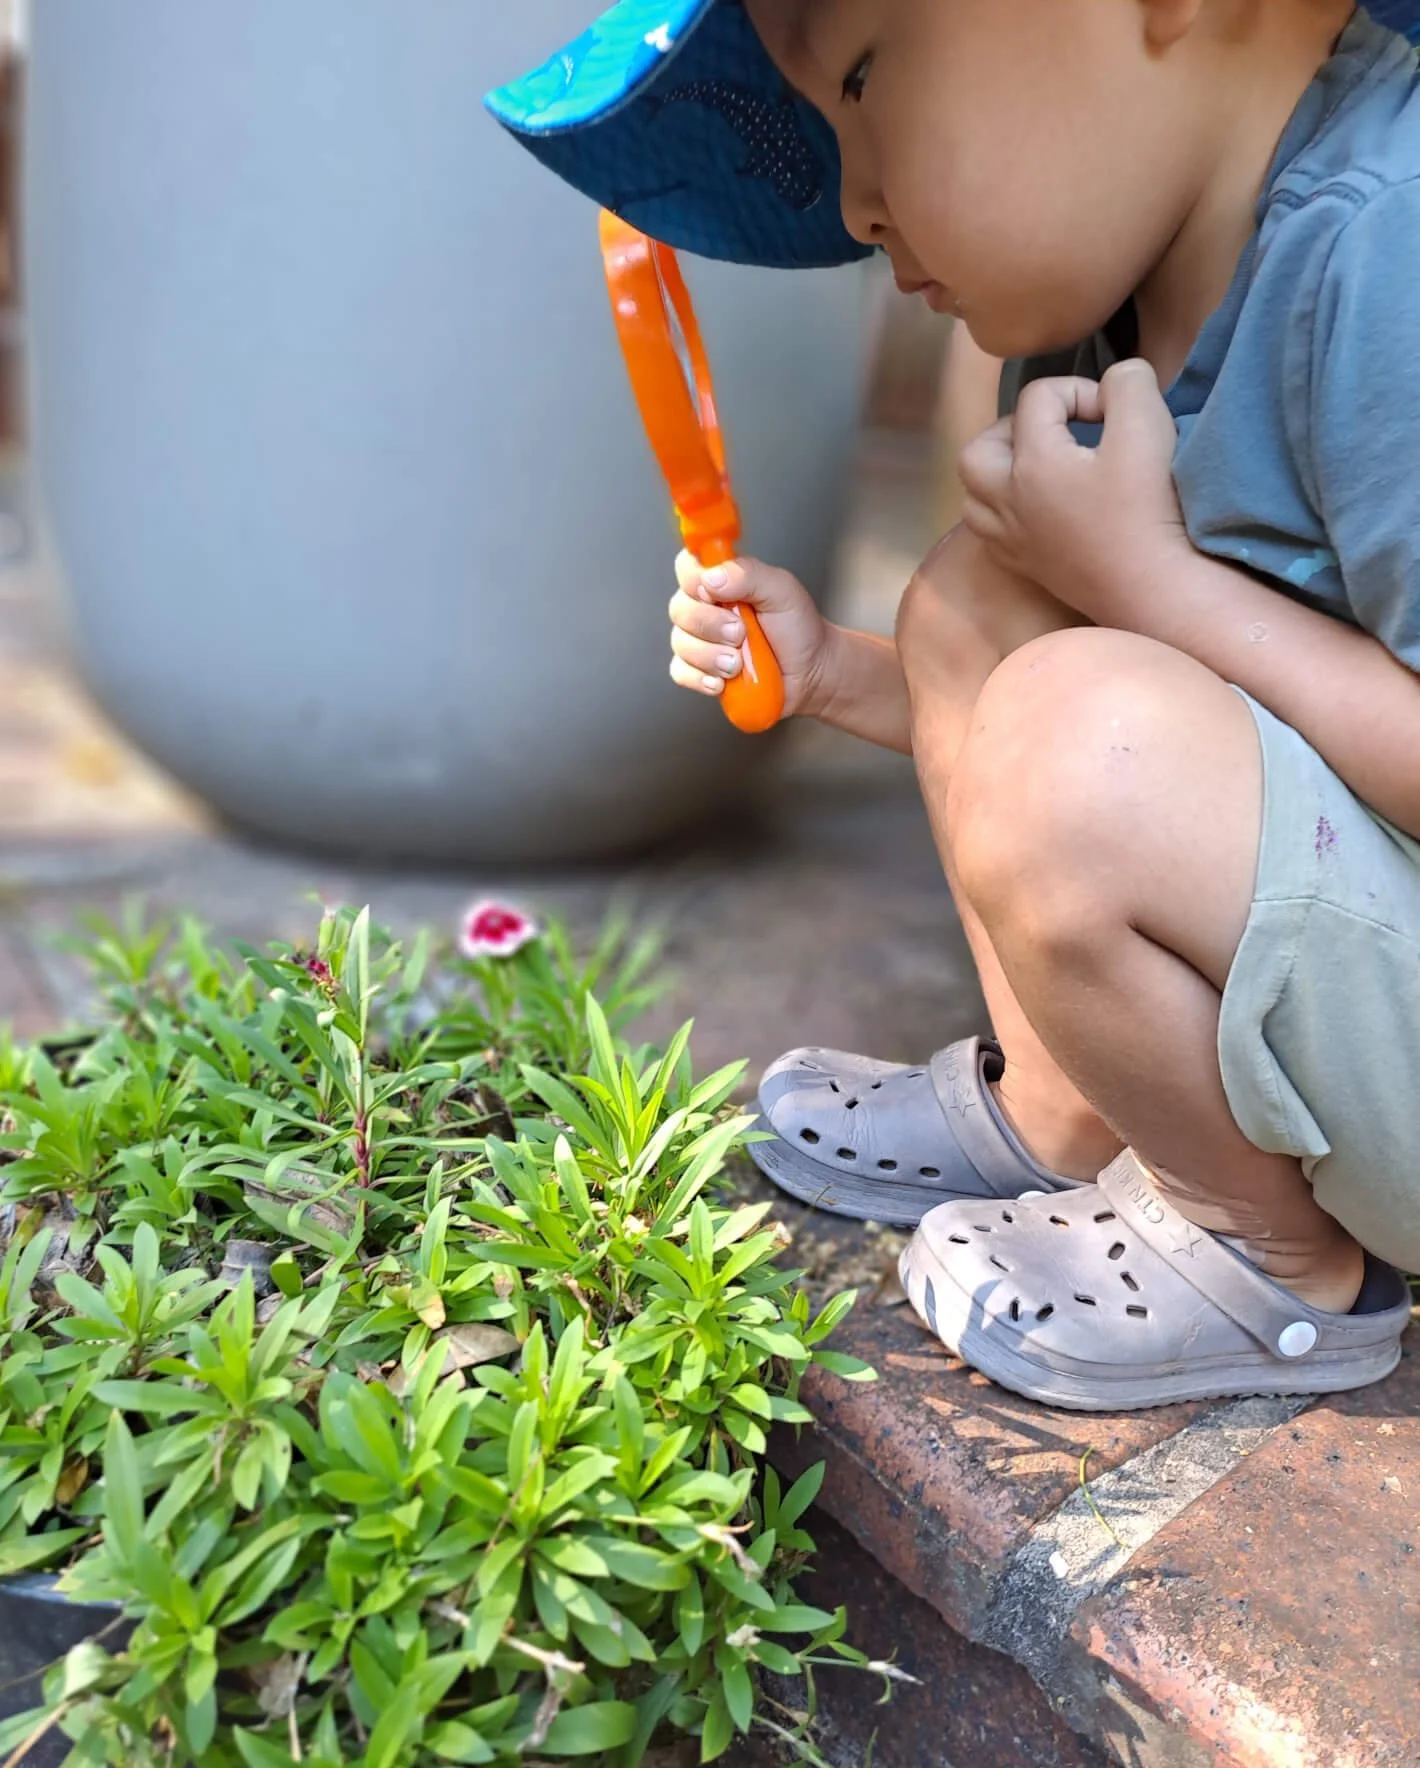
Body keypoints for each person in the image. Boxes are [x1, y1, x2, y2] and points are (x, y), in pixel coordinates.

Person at [487, 0, 1420, 1410]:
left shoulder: (1388, 253)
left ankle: (1275, 1254)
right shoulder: (1107, 289)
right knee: (975, 608)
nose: (855, 200)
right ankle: (1073, 1115)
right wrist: (839, 675)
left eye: (862, 76)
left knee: (1072, 722)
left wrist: (1158, 589)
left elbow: (1140, 709)